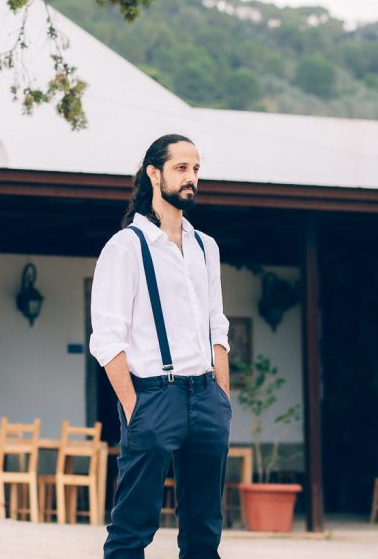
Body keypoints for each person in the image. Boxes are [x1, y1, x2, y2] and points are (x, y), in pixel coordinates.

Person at [90, 134, 232, 559]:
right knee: (132, 529)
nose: (191, 178)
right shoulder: (125, 247)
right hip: (153, 395)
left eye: (196, 169)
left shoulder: (206, 247)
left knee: (204, 531)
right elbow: (107, 338)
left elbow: (217, 325)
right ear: (154, 174)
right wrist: (134, 408)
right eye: (181, 168)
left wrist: (222, 397)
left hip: (206, 396)